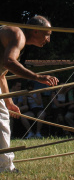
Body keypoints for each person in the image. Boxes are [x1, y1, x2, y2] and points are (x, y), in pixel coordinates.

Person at [0, 15, 58, 172]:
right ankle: (5, 167)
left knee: (2, 117)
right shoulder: (17, 35)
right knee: (1, 121)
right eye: (47, 34)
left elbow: (2, 74)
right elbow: (9, 62)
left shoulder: (15, 37)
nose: (48, 40)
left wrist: (9, 102)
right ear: (36, 31)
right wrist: (38, 77)